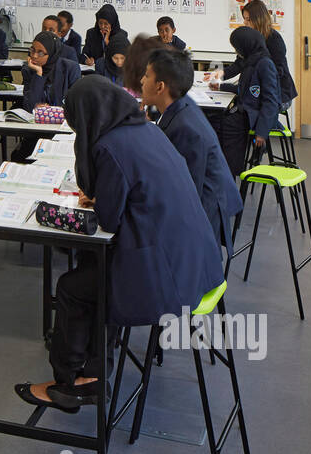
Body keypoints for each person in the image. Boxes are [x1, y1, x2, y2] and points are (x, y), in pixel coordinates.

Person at [14, 77, 223, 412]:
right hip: (198, 262)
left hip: (166, 275)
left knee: (72, 287)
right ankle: (93, 374)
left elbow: (109, 220)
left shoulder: (109, 147)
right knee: (96, 272)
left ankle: (67, 383)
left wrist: (97, 198)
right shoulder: (148, 130)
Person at [141, 48, 244, 254]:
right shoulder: (180, 107)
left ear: (160, 86)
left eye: (146, 75)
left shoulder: (185, 129)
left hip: (200, 230)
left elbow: (185, 196)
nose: (142, 81)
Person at [209, 27, 281, 180]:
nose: (237, 51)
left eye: (237, 48)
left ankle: (230, 171)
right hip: (248, 109)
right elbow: (245, 89)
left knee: (226, 124)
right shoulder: (251, 61)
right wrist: (221, 86)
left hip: (256, 115)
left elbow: (271, 102)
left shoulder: (264, 64)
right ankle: (222, 168)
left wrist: (261, 132)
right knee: (215, 119)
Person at [10, 31, 82, 162]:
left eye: (40, 53)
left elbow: (75, 104)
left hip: (62, 131)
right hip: (37, 130)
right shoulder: (29, 69)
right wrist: (38, 74)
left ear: (52, 52)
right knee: (19, 157)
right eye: (32, 51)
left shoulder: (70, 68)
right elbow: (29, 106)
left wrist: (51, 111)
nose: (34, 56)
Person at [216, 0, 297, 109]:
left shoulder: (274, 39)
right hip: (260, 90)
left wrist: (250, 81)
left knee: (245, 109)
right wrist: (221, 74)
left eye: (248, 19)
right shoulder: (250, 39)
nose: (245, 22)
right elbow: (240, 63)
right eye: (244, 19)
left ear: (259, 19)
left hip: (279, 93)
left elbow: (278, 71)